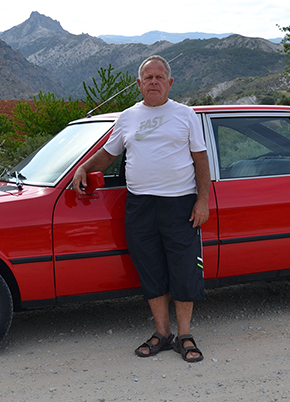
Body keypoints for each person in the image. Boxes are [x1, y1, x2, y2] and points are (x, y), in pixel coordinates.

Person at [72, 55, 211, 362]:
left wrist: (203, 200)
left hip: (180, 204)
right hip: (140, 205)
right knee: (150, 268)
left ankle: (184, 334)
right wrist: (83, 167)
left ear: (170, 83)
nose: (154, 82)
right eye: (148, 78)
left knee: (184, 268)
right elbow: (108, 154)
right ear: (138, 84)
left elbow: (201, 160)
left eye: (159, 77)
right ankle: (162, 332)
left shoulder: (186, 115)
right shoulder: (127, 117)